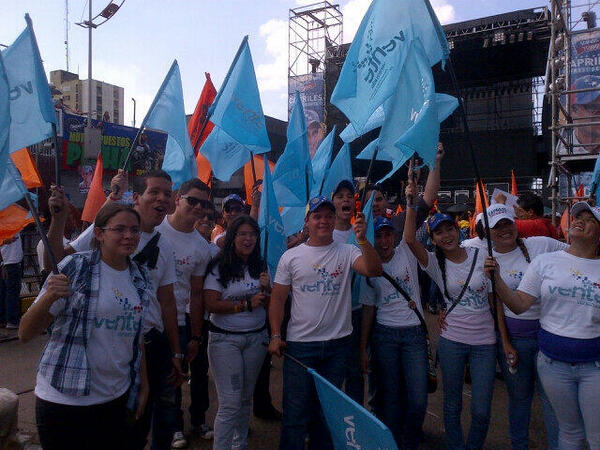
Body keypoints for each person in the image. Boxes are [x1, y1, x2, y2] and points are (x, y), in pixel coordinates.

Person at [44, 171, 183, 450]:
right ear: (137, 197)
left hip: (149, 343)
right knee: (113, 420)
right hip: (108, 344)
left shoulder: (165, 244)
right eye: (154, 192)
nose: (162, 198)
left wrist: (176, 351)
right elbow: (55, 261)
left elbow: (167, 301)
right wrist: (58, 220)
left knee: (142, 420)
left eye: (167, 193)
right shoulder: (106, 227)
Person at [19, 203, 151, 450]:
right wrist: (49, 297)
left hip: (116, 397)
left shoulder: (139, 277)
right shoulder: (76, 267)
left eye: (135, 230)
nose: (129, 236)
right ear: (99, 234)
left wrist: (143, 385)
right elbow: (25, 332)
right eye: (119, 229)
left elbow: (136, 335)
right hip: (64, 399)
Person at [268, 195, 382, 450]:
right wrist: (276, 335)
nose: (323, 221)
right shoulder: (291, 257)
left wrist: (362, 239)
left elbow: (374, 270)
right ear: (307, 221)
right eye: (317, 216)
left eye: (328, 216)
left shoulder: (348, 250)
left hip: (337, 348)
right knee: (295, 416)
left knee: (326, 414)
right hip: (300, 348)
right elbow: (277, 299)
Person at [484, 201, 600, 449]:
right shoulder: (545, 262)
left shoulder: (545, 246)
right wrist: (497, 280)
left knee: (595, 436)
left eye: (590, 219)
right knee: (569, 433)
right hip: (551, 363)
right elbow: (518, 304)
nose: (580, 220)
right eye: (578, 216)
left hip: (594, 366)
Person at [404, 183, 496, 450]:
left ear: (458, 230)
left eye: (449, 229)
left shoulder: (482, 254)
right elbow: (409, 240)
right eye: (439, 233)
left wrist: (504, 337)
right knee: (452, 404)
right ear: (432, 239)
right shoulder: (434, 263)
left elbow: (494, 301)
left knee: (480, 409)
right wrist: (411, 203)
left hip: (485, 343)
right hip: (452, 341)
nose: (446, 236)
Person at [481, 203, 565, 449]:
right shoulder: (488, 260)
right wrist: (506, 343)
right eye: (497, 226)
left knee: (551, 400)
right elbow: (496, 305)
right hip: (515, 342)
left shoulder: (541, 244)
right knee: (519, 400)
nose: (504, 229)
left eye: (507, 222)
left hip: (548, 338)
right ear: (487, 232)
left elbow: (577, 254)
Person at [359, 216, 428, 449]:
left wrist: (410, 194)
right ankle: (392, 443)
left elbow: (412, 224)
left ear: (395, 236)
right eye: (378, 236)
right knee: (391, 397)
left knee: (418, 400)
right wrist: (363, 348)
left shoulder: (405, 253)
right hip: (384, 335)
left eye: (388, 234)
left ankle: (410, 441)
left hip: (414, 336)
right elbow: (368, 309)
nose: (384, 240)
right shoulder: (369, 266)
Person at [203, 215, 271, 449]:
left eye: (252, 234)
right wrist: (245, 304)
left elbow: (269, 304)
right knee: (230, 403)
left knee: (244, 400)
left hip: (256, 339)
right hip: (225, 340)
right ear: (232, 237)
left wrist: (267, 290)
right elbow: (210, 304)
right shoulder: (218, 266)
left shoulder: (260, 265)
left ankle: (238, 445)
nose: (248, 239)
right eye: (242, 234)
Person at [156, 178, 212, 448]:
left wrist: (197, 337)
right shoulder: (156, 229)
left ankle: (193, 423)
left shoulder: (201, 247)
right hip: (150, 319)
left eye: (203, 203)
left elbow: (198, 294)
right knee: (164, 380)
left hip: (182, 318)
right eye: (192, 200)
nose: (198, 207)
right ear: (178, 198)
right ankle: (172, 427)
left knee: (190, 373)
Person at [0, 233, 23, 329]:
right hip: (11, 262)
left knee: (3, 292)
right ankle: (12, 320)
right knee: (12, 292)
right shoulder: (13, 226)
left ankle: (2, 319)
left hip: (4, 263)